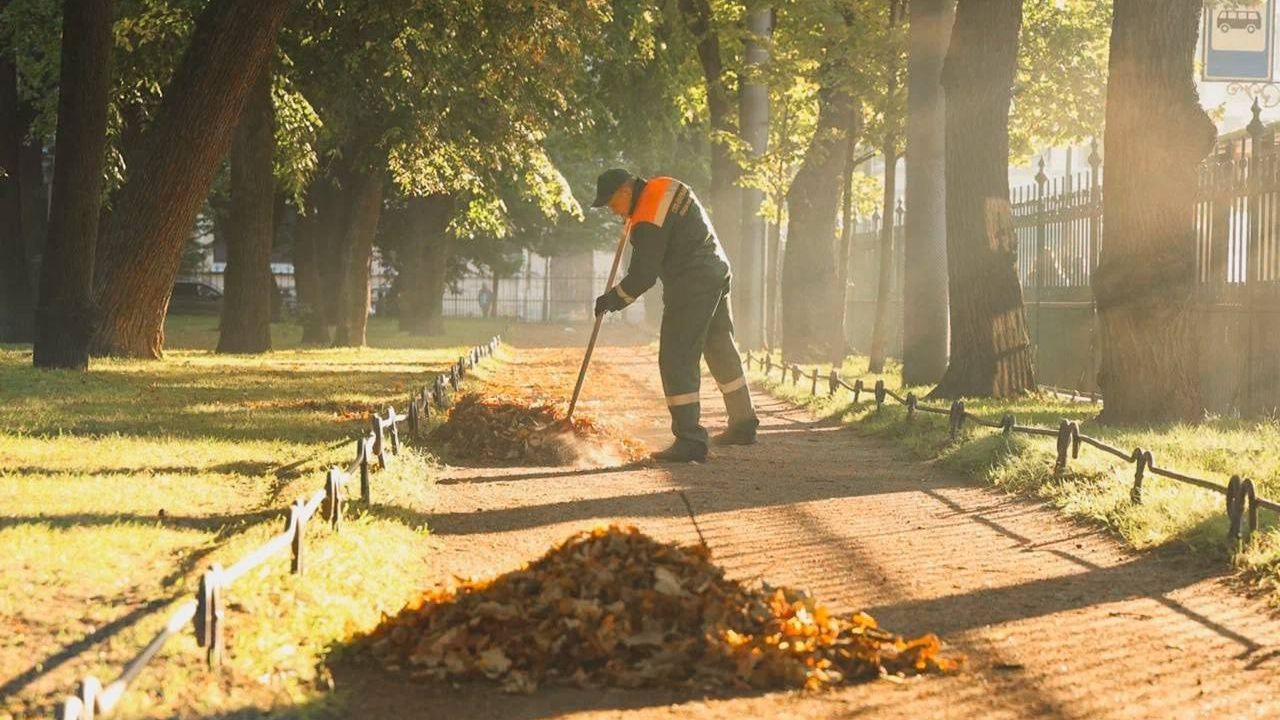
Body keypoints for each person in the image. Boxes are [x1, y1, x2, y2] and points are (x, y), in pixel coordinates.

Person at [591, 168, 759, 463]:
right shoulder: (666, 186)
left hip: (690, 282)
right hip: (716, 270)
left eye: (613, 204)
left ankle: (690, 438)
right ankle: (743, 423)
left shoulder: (645, 218)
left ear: (626, 191)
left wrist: (612, 300)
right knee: (719, 347)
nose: (615, 213)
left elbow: (643, 275)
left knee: (676, 357)